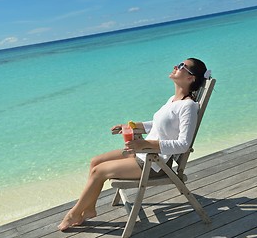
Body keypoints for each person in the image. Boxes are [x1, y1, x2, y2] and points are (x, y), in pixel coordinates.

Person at [58, 58, 211, 231]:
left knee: (98, 171)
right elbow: (158, 125)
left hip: (155, 163)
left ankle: (73, 214)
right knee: (95, 162)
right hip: (144, 152)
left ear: (191, 78)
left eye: (182, 66)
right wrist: (130, 126)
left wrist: (146, 144)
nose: (176, 66)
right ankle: (89, 209)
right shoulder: (173, 100)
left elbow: (183, 144)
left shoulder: (188, 106)